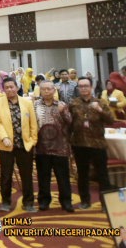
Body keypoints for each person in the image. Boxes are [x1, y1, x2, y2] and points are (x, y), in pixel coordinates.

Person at [0, 77, 38, 213]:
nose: (10, 89)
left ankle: (28, 202)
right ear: (3, 89)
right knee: (6, 176)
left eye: (12, 87)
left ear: (17, 87)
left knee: (27, 175)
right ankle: (6, 202)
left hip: (25, 145)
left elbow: (33, 124)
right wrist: (4, 137)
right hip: (6, 145)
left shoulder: (27, 102)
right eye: (7, 87)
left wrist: (32, 141)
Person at [69, 76, 114, 210]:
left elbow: (111, 120)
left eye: (86, 86)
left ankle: (105, 203)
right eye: (80, 86)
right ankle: (85, 201)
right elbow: (69, 124)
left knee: (102, 175)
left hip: (97, 144)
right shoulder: (73, 104)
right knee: (82, 174)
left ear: (91, 87)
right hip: (79, 144)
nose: (83, 88)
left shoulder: (100, 102)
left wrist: (100, 110)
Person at [33, 80, 74, 213]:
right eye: (43, 89)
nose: (46, 91)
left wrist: (62, 112)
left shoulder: (61, 104)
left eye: (49, 89)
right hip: (41, 146)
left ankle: (66, 202)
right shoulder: (35, 105)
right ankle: (44, 201)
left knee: (63, 176)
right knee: (43, 176)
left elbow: (70, 121)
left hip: (60, 147)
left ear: (54, 90)